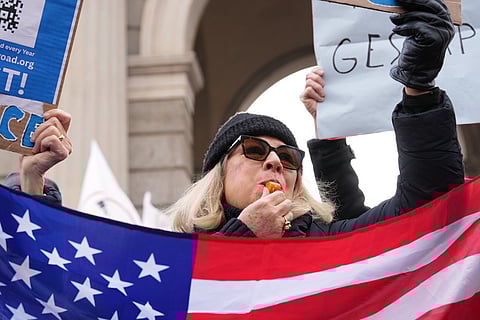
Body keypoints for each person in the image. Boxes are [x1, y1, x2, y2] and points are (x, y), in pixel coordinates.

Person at [4, 0, 464, 238]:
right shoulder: (172, 257)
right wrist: (32, 184)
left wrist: (419, 88)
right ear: (217, 176)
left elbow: (429, 206)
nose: (275, 163)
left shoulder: (330, 242)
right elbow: (69, 287)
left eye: (287, 157)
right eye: (256, 150)